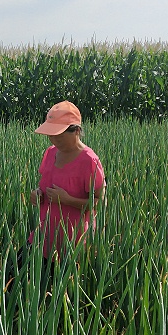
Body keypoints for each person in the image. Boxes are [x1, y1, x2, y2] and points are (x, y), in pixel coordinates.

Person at [28, 100, 106, 265]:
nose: (54, 140)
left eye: (59, 135)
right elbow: (44, 185)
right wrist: (36, 195)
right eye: (51, 135)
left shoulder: (89, 161)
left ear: (76, 131)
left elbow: (99, 203)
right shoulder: (50, 153)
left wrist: (67, 200)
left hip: (73, 244)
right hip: (43, 237)